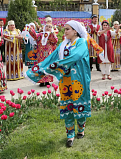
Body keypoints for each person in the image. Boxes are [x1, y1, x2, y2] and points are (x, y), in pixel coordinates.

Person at [25, 20, 90, 148]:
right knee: (67, 106)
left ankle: (81, 128)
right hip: (65, 80)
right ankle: (70, 134)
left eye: (67, 29)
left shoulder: (81, 42)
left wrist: (56, 65)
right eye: (64, 29)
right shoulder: (63, 45)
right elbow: (51, 58)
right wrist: (40, 68)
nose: (65, 32)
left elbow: (75, 56)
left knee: (79, 104)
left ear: (75, 31)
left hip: (79, 80)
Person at [28, 22, 58, 87]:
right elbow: (35, 36)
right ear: (44, 27)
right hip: (40, 54)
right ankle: (41, 81)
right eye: (47, 26)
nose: (48, 28)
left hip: (48, 53)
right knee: (41, 66)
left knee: (48, 66)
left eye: (50, 27)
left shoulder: (52, 35)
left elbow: (55, 41)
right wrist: (30, 29)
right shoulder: (40, 34)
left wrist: (51, 34)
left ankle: (47, 81)